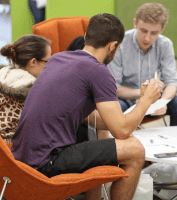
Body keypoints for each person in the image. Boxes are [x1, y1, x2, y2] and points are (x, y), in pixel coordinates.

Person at [12, 13, 161, 200]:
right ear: (113, 46)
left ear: (85, 37)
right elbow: (121, 131)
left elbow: (88, 117)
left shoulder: (59, 59)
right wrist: (146, 100)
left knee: (105, 142)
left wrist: (125, 119)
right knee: (135, 150)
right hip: (46, 161)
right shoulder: (98, 71)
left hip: (22, 160)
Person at [108, 3, 177, 126]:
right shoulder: (120, 44)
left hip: (156, 99)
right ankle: (122, 144)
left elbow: (172, 82)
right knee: (114, 108)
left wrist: (162, 102)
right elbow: (114, 88)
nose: (147, 38)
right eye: (143, 31)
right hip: (128, 99)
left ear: (162, 29)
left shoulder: (165, 45)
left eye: (154, 33)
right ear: (135, 23)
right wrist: (143, 93)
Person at [0, 34, 51, 146]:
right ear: (33, 62)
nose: (50, 66)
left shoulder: (4, 74)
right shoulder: (34, 90)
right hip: (15, 152)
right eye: (48, 62)